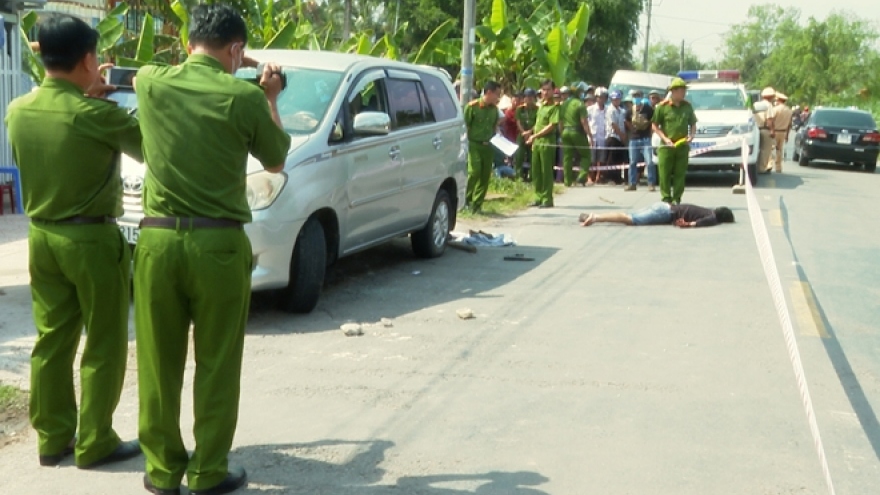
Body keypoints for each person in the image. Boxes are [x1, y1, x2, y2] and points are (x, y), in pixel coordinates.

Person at [133, 5, 292, 494]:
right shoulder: (243, 98)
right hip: (219, 245)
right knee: (217, 362)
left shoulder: (150, 82)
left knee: (158, 363)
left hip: (157, 242)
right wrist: (268, 94)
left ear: (187, 44)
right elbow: (276, 156)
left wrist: (234, 63)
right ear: (237, 49)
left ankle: (162, 473)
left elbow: (160, 68)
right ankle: (207, 472)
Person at [4, 15, 143, 469]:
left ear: (41, 53)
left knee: (52, 340)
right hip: (91, 237)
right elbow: (148, 147)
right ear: (89, 60)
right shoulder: (98, 114)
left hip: (41, 235)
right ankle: (96, 439)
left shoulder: (18, 109)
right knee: (103, 341)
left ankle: (53, 437)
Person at [651, 77, 697, 204]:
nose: (684, 93)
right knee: (664, 174)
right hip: (667, 147)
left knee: (680, 174)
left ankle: (677, 199)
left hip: (682, 146)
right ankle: (666, 199)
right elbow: (654, 125)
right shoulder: (662, 107)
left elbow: (693, 124)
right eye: (682, 91)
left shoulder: (687, 106)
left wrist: (691, 135)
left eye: (684, 91)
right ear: (674, 91)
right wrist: (665, 139)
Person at [464, 80, 501, 213]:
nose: (498, 98)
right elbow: (466, 127)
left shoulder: (494, 110)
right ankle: (466, 201)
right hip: (474, 144)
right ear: (489, 92)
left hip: (489, 146)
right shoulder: (472, 107)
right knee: (474, 172)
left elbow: (494, 127)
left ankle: (477, 205)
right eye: (497, 94)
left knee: (485, 176)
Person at [526, 79, 559, 208]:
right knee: (536, 171)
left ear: (553, 91)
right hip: (537, 141)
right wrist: (530, 133)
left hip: (547, 142)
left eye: (548, 90)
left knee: (546, 172)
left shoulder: (554, 107)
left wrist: (535, 136)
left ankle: (547, 198)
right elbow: (538, 124)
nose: (545, 92)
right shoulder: (541, 106)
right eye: (543, 90)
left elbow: (551, 126)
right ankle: (538, 196)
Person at [578, 202, 735, 228]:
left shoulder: (707, 210)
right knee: (629, 219)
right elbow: (702, 222)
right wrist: (689, 224)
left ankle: (596, 216)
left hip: (663, 206)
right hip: (665, 213)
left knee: (628, 216)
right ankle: (596, 218)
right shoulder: (713, 217)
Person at [559, 84, 591, 187]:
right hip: (577, 132)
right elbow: (584, 122)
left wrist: (561, 134)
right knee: (586, 155)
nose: (583, 94)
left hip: (565, 132)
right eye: (581, 92)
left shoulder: (564, 104)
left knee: (567, 157)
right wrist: (589, 135)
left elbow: (560, 122)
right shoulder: (580, 104)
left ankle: (567, 181)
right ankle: (582, 176)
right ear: (577, 92)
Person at [626, 97, 656, 191]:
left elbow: (654, 120)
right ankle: (632, 184)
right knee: (632, 162)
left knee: (649, 162)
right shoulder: (630, 109)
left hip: (646, 138)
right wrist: (632, 129)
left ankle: (651, 184)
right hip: (634, 139)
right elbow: (626, 120)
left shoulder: (648, 109)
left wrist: (651, 133)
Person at [582, 87, 608, 185]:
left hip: (603, 137)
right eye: (599, 97)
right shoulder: (590, 109)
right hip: (591, 137)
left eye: (603, 97)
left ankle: (598, 177)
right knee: (590, 159)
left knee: (600, 160)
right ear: (596, 98)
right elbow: (585, 122)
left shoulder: (607, 110)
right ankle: (589, 177)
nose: (601, 99)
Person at [603, 90, 628, 184]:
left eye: (617, 99)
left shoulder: (622, 111)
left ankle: (617, 177)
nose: (616, 101)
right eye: (614, 99)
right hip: (612, 137)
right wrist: (621, 135)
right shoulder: (610, 110)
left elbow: (624, 123)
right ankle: (610, 178)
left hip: (620, 138)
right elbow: (613, 124)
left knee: (619, 158)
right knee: (611, 159)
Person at [769, 92, 792, 173]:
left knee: (771, 148)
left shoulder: (775, 109)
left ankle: (770, 165)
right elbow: (790, 124)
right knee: (779, 150)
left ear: (778, 100)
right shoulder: (789, 110)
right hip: (783, 132)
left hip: (775, 132)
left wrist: (771, 130)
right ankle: (778, 167)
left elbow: (771, 121)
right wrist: (787, 135)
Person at [756, 87, 776, 173]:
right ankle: (761, 168)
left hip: (756, 129)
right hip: (765, 129)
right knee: (765, 150)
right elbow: (769, 120)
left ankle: (756, 167)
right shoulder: (768, 105)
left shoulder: (756, 104)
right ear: (771, 97)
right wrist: (772, 130)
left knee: (757, 149)